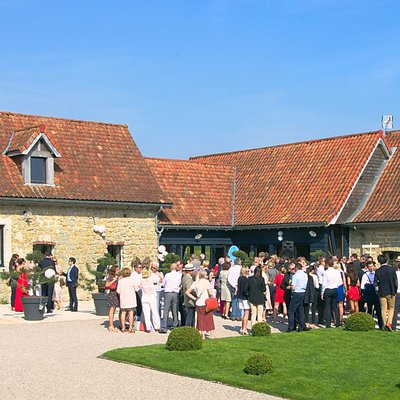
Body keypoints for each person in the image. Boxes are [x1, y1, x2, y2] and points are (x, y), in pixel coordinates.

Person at [186, 270, 215, 339]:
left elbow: (187, 292)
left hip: (199, 302)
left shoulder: (195, 283)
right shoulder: (206, 282)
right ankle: (212, 335)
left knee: (200, 318)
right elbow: (210, 293)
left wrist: (195, 298)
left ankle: (202, 334)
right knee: (209, 318)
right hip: (207, 302)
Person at [375, 254, 398, 331]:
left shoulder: (378, 271)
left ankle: (384, 325)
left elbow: (375, 283)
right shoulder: (392, 270)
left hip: (382, 292)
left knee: (383, 309)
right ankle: (389, 322)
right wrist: (395, 290)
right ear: (387, 260)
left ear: (379, 261)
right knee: (392, 308)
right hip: (391, 291)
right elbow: (395, 282)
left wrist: (377, 291)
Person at [160, 263, 181, 333]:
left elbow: (163, 284)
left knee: (166, 311)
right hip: (175, 293)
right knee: (175, 311)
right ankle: (175, 325)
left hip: (168, 292)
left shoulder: (167, 275)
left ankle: (164, 327)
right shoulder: (179, 275)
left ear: (170, 268)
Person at [361, 260, 383, 329]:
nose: (371, 268)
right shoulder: (365, 275)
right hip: (370, 293)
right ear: (367, 267)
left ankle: (381, 325)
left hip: (376, 293)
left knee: (378, 309)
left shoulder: (377, 273)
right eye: (369, 266)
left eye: (372, 266)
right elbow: (362, 286)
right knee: (369, 309)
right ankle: (369, 324)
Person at [287, 262, 308, 333]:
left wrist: (290, 289)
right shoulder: (305, 275)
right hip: (303, 292)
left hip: (297, 293)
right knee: (301, 310)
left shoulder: (295, 276)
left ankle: (291, 327)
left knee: (291, 310)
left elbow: (293, 286)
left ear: (296, 268)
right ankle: (302, 326)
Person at [322, 258, 342, 328]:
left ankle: (328, 323)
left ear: (327, 264)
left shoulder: (326, 272)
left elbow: (324, 283)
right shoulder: (337, 272)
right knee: (335, 307)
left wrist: (322, 292)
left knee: (328, 307)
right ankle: (337, 322)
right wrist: (335, 285)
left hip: (328, 289)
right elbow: (340, 282)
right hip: (335, 289)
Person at [140, 267, 161, 332]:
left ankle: (148, 327)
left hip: (144, 297)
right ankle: (157, 326)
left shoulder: (141, 279)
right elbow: (159, 280)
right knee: (154, 312)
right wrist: (158, 274)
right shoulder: (151, 278)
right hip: (151, 296)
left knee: (146, 313)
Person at [117, 267, 137, 333]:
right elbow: (136, 289)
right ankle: (130, 328)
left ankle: (123, 327)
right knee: (131, 312)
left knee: (123, 312)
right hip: (131, 298)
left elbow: (118, 291)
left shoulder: (120, 281)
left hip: (123, 298)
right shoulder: (132, 280)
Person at [105, 265, 120, 332]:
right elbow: (107, 285)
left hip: (116, 294)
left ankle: (113, 325)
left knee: (114, 309)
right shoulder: (111, 277)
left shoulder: (117, 277)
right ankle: (111, 325)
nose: (118, 271)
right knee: (112, 309)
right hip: (112, 294)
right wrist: (114, 280)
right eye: (117, 270)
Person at [304, 265, 319, 329]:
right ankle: (313, 322)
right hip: (314, 291)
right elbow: (317, 286)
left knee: (306, 308)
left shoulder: (305, 276)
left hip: (306, 292)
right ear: (312, 270)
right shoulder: (314, 276)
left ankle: (306, 321)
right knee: (313, 308)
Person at [237, 266, 250, 335]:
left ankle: (242, 327)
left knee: (243, 313)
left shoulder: (239, 278)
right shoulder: (246, 279)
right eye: (247, 271)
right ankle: (244, 328)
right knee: (246, 312)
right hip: (245, 297)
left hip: (240, 297)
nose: (248, 272)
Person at [333, 261, 346, 325]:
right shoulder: (341, 272)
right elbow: (344, 282)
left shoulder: (333, 272)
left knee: (334, 305)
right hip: (340, 288)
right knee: (341, 305)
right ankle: (340, 319)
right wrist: (346, 290)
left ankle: (335, 319)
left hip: (334, 287)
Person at [391, 257, 400, 331]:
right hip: (397, 292)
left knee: (395, 310)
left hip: (397, 292)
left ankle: (393, 325)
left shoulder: (394, 273)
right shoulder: (395, 272)